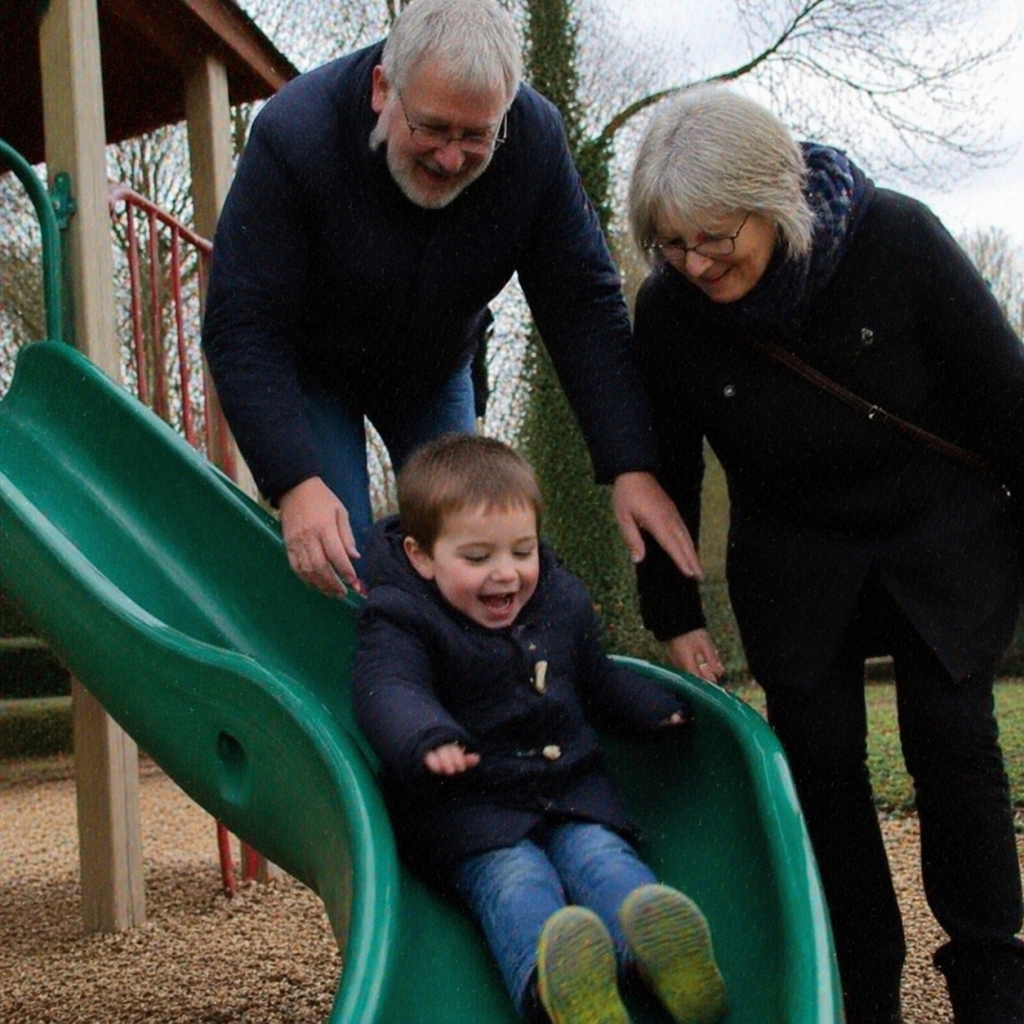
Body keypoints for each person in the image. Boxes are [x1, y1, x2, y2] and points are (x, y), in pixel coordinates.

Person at [626, 85, 1024, 1024]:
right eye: (673, 245)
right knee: (821, 769)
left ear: (774, 201)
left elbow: (1008, 402)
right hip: (795, 551)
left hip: (938, 533)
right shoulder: (671, 310)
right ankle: (856, 986)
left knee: (953, 742)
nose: (695, 262)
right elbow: (665, 472)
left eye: (716, 237)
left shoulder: (897, 239)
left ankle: (994, 982)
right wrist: (674, 611)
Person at [200, 0, 699, 599]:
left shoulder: (533, 142)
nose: (450, 156)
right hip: (312, 371)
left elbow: (583, 304)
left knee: (464, 550)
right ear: (385, 88)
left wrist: (630, 462)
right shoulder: (295, 135)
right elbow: (243, 320)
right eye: (432, 128)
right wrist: (294, 481)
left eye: (477, 135)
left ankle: (454, 688)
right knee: (341, 560)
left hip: (435, 367)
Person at [352, 434, 728, 1024]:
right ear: (421, 556)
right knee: (517, 882)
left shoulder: (560, 601)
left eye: (522, 552)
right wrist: (426, 736)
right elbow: (388, 689)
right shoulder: (402, 617)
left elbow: (595, 680)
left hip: (570, 794)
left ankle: (658, 954)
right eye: (477, 559)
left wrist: (652, 708)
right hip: (472, 813)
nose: (505, 574)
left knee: (605, 859)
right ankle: (559, 993)